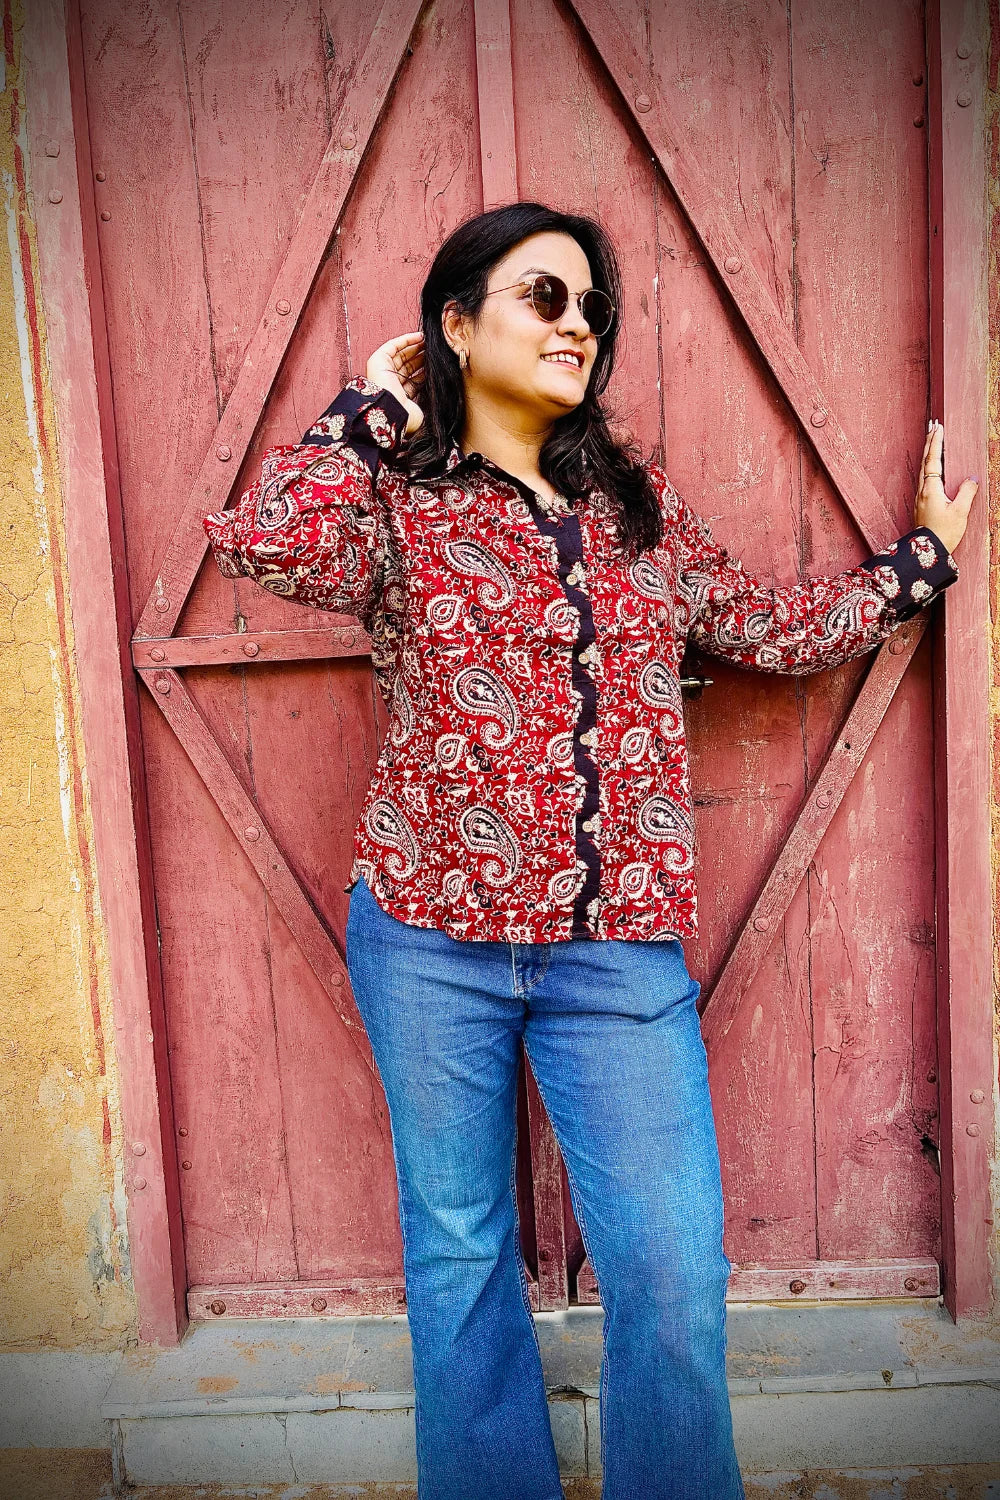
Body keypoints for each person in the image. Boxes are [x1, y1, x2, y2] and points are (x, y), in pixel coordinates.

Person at [202, 201, 977, 1500]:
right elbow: (268, 540)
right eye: (543, 297)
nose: (579, 325)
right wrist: (378, 405)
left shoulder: (636, 506)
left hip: (615, 956)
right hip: (427, 936)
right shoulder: (400, 502)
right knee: (457, 1258)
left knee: (672, 1270)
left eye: (592, 307)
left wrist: (917, 565)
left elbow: (762, 628)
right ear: (458, 322)